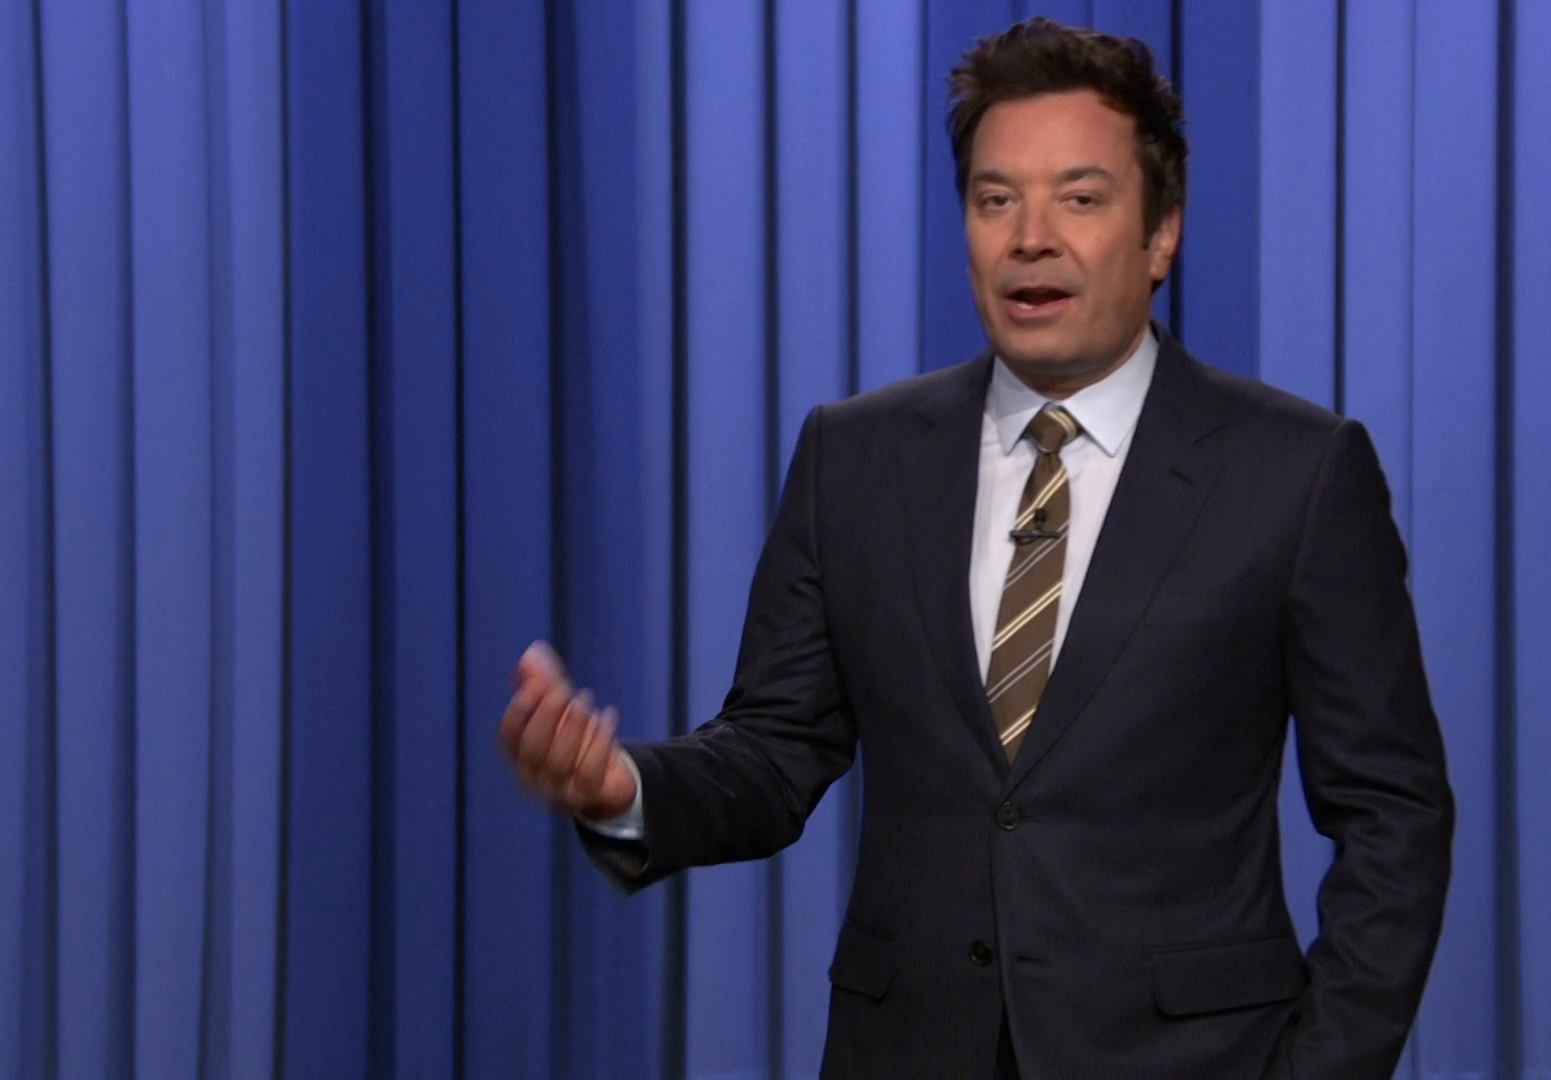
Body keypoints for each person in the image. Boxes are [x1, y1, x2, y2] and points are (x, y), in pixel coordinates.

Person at [499, 17, 1452, 1078]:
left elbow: (1395, 817)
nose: (1030, 237)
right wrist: (623, 788)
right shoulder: (854, 457)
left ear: (1162, 232)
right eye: (996, 199)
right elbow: (773, 750)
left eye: (1079, 199)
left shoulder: (1296, 472)